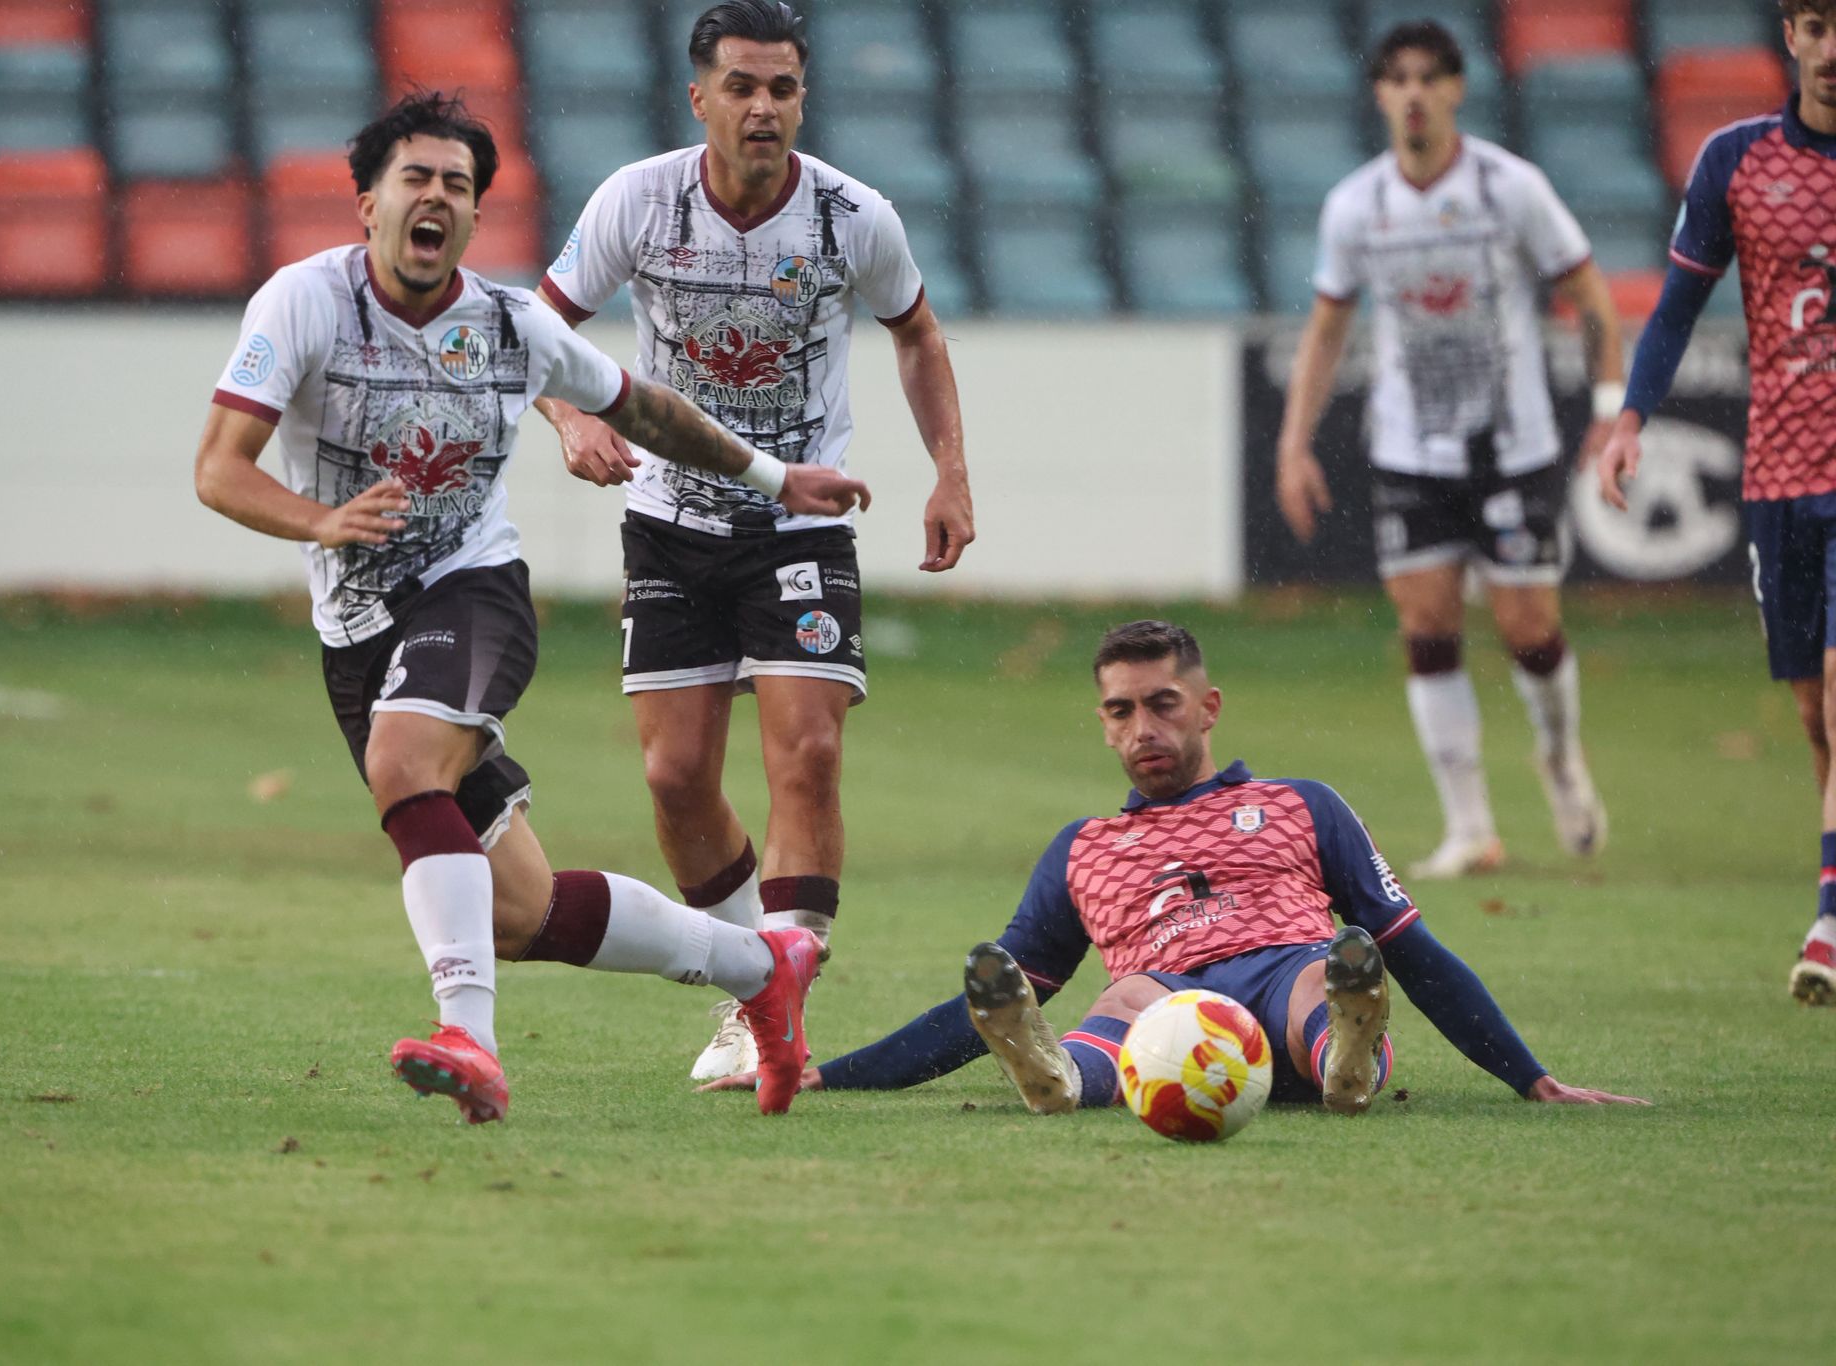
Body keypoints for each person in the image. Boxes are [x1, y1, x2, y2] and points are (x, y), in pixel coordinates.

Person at [194, 92, 872, 1121]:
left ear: (473, 218)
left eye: (456, 186)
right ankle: (756, 968)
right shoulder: (300, 305)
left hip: (472, 595)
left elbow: (647, 409)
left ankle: (469, 1036)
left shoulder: (511, 327)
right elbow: (217, 470)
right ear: (366, 205)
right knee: (518, 907)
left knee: (402, 764)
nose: (435, 199)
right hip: (356, 631)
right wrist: (319, 522)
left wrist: (778, 479)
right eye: (414, 179)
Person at [531, 0, 975, 1081]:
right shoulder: (637, 201)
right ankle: (751, 983)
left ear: (801, 98)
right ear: (699, 97)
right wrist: (569, 417)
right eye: (740, 85)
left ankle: (780, 979)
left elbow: (914, 330)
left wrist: (949, 472)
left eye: (781, 87)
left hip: (798, 520)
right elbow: (537, 327)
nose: (762, 106)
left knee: (809, 754)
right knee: (676, 777)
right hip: (669, 522)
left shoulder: (850, 215)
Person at [706, 621, 1647, 1116]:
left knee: (1336, 967)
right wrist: (840, 1074)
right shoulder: (1084, 848)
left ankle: (1345, 1059)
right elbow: (990, 998)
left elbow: (1415, 947)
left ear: (1208, 708)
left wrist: (1532, 1078)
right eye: (1121, 712)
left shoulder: (1303, 803)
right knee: (1108, 1005)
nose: (1143, 729)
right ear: (1103, 720)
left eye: (1163, 705)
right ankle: (1059, 1077)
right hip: (1166, 1010)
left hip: (1286, 978)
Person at [1274, 21, 1625, 880]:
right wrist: (1295, 441)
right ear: (1380, 96)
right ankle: (1470, 825)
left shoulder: (1511, 188)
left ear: (1457, 89)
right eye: (1398, 79)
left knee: (1527, 630)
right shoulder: (1357, 206)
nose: (1415, 93)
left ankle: (1557, 752)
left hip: (1513, 444)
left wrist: (1611, 409)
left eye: (1430, 77)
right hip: (1408, 448)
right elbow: (1327, 329)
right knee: (1427, 626)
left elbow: (1591, 294)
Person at [1597, 0, 1836, 1005]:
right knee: (1814, 712)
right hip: (1777, 476)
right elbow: (1678, 302)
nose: (1833, 47)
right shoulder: (1735, 161)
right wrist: (1629, 415)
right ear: (1788, 34)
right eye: (1818, 24)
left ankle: (1827, 917)